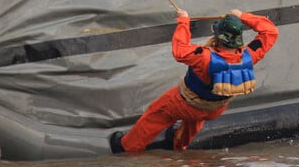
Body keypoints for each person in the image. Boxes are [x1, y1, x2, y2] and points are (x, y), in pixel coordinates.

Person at [111, 8, 278, 153]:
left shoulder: (204, 57)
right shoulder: (251, 55)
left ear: (218, 37)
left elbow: (180, 50)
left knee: (156, 113)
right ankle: (179, 143)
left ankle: (127, 146)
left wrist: (183, 21)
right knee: (196, 119)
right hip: (215, 109)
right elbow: (270, 32)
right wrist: (242, 16)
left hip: (185, 103)